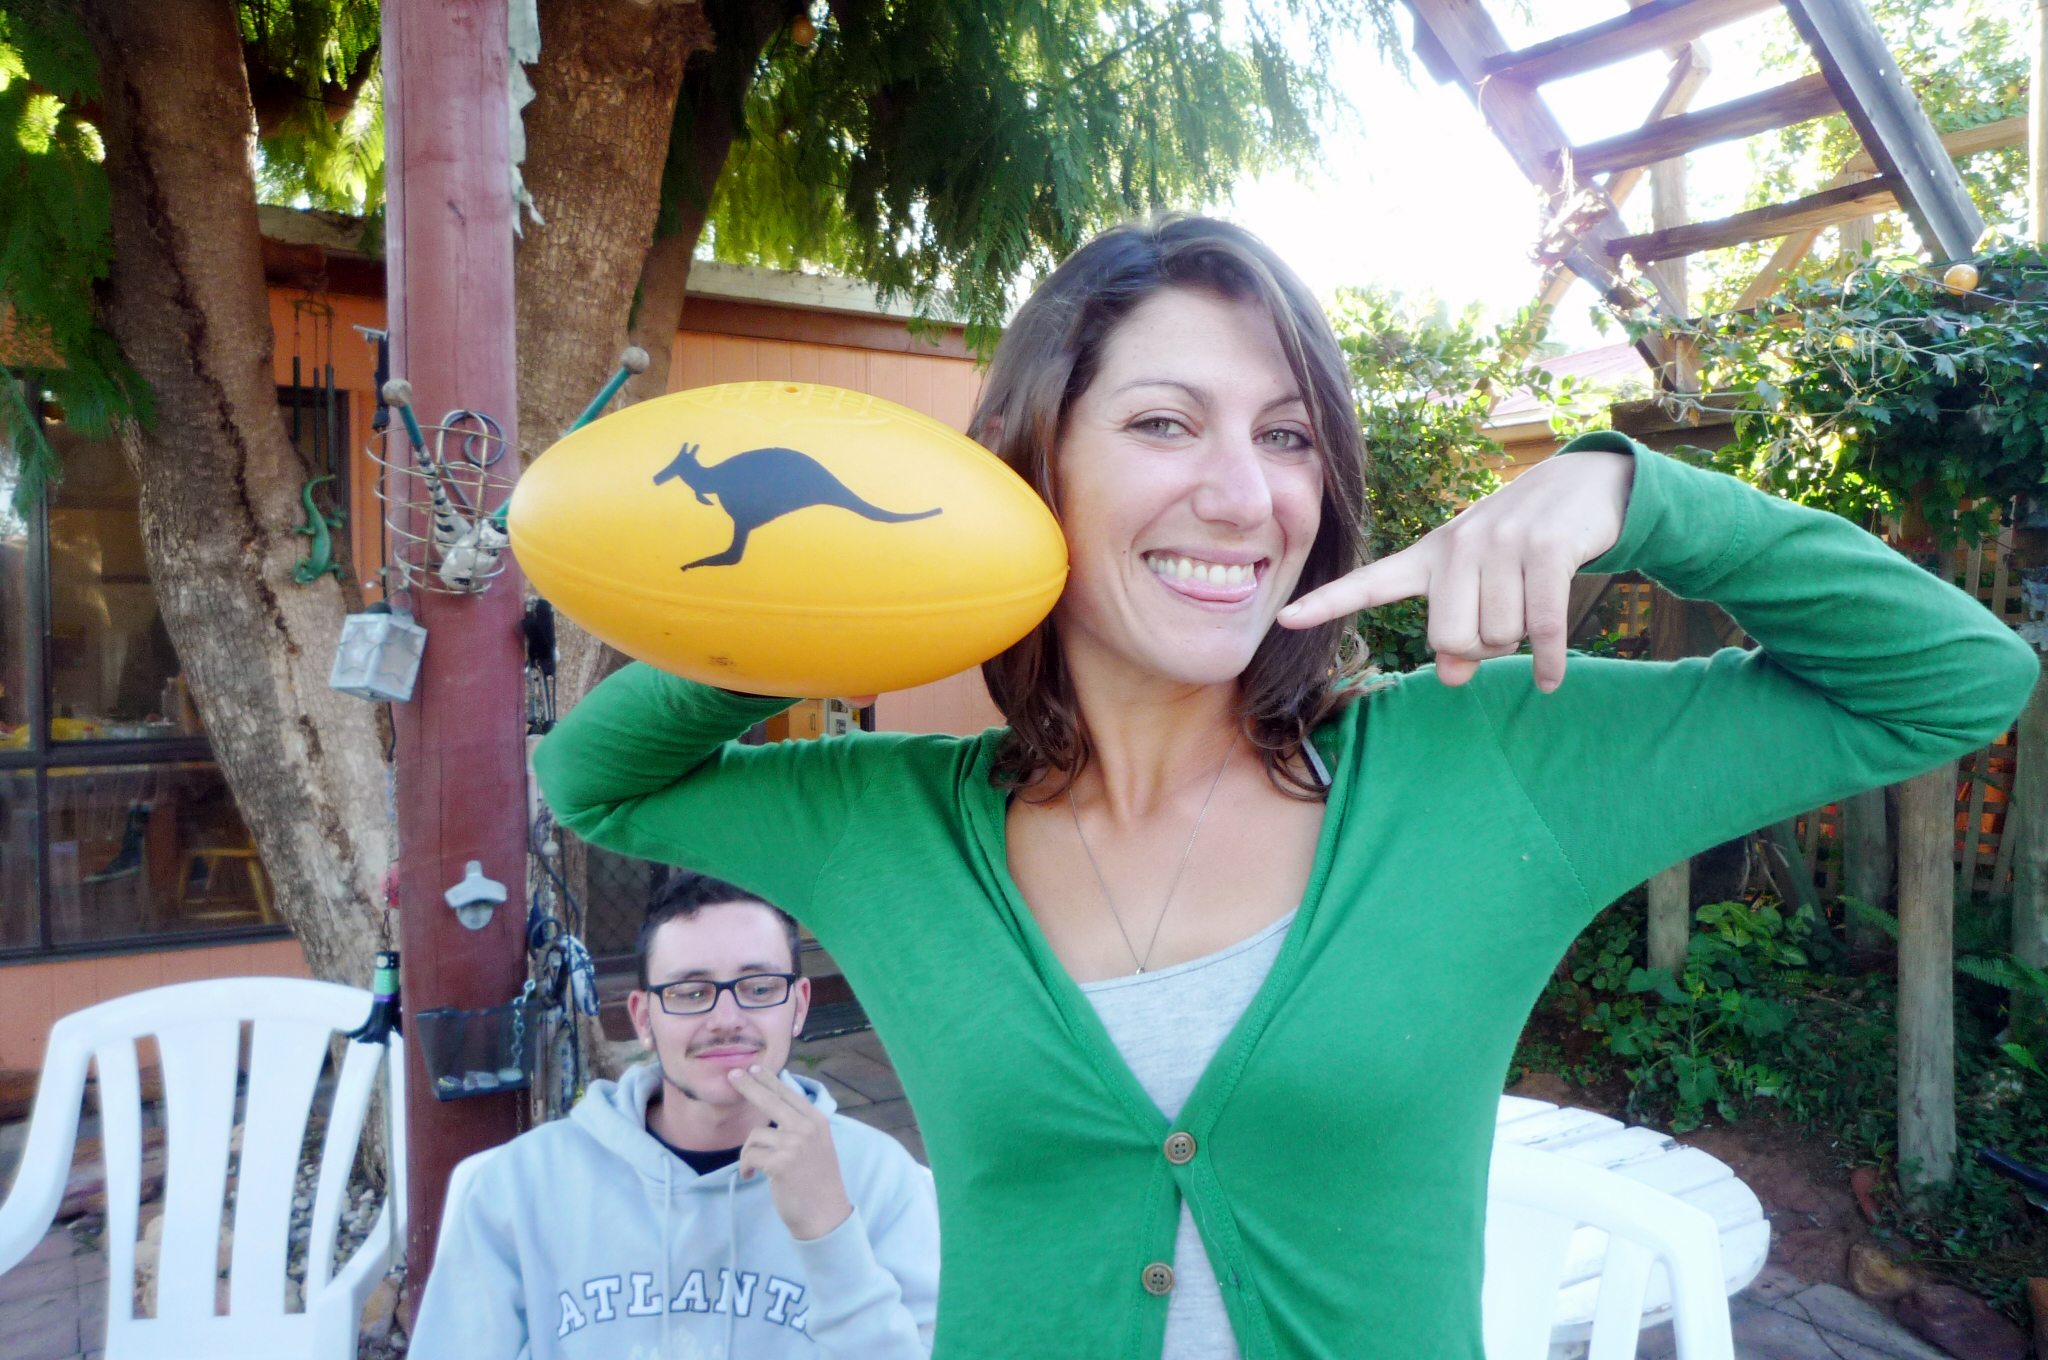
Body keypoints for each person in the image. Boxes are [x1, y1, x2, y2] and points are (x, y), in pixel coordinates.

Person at [533, 214, 2037, 1360]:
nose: (1243, 495)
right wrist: (871, 583)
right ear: (1028, 466)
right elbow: (596, 779)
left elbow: (1952, 679)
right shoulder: (894, 823)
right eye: (1162, 423)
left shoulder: (1483, 761)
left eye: (1287, 437)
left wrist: (1635, 494)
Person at [410, 871, 939, 1359]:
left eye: (759, 988)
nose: (727, 1019)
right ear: (643, 1019)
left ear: (799, 1005)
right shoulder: (522, 1185)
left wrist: (829, 1237)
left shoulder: (878, 1179)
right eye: (690, 992)